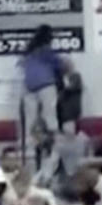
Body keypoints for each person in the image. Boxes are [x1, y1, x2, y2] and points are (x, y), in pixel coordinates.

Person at [18, 25, 62, 153]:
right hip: (46, 84)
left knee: (30, 119)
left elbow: (21, 65)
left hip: (28, 86)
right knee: (50, 116)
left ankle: (29, 147)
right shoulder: (46, 50)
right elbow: (59, 65)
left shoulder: (28, 51)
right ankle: (54, 146)